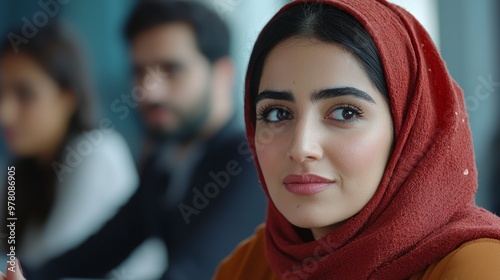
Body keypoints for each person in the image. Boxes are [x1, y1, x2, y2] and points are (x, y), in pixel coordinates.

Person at [214, 0, 500, 279]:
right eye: (277, 114)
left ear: (408, 130)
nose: (301, 148)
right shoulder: (250, 264)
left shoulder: (477, 266)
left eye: (345, 112)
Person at [13, 1, 266, 279]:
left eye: (171, 69)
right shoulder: (164, 164)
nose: (148, 91)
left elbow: (189, 274)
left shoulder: (248, 161)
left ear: (222, 74)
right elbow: (93, 254)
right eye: (140, 71)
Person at [0, 23, 138, 272]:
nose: (5, 114)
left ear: (68, 98)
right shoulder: (22, 171)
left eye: (25, 94)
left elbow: (48, 266)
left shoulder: (96, 151)